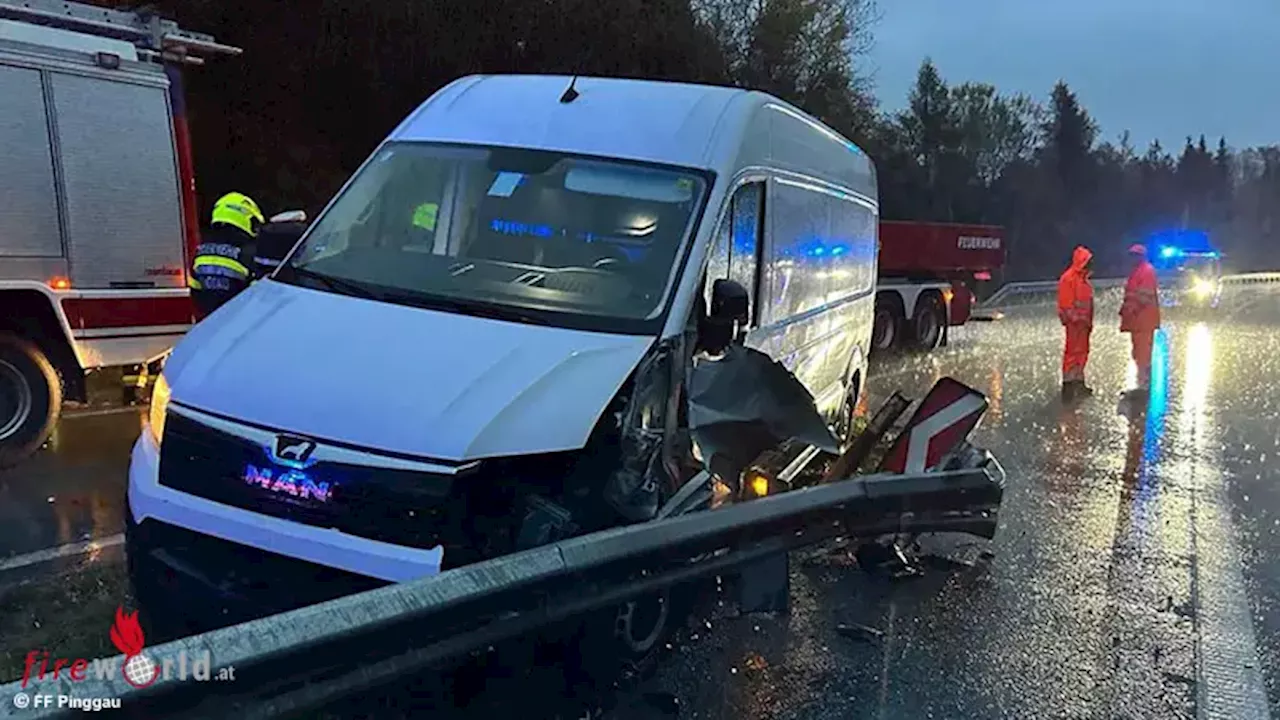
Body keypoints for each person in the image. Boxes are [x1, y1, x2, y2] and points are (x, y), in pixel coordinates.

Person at [189, 192, 265, 321]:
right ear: (242, 217)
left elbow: (195, 290)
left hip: (208, 321)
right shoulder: (247, 253)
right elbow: (259, 295)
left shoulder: (201, 251)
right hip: (239, 321)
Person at [1120, 243, 1161, 394]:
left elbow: (1144, 296)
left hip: (1143, 320)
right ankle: (1142, 383)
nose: (1131, 258)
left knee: (1143, 352)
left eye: (1134, 255)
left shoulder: (1146, 271)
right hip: (1138, 321)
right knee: (1138, 352)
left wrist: (1130, 309)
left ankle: (1143, 385)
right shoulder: (1137, 271)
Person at [1057, 245, 1095, 400]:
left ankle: (1078, 382)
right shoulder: (1069, 278)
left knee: (1082, 353)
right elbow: (1066, 305)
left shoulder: (1083, 280)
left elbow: (1088, 303)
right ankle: (1068, 385)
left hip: (1083, 325)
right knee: (1072, 354)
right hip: (1075, 325)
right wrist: (1076, 319)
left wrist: (1088, 322)